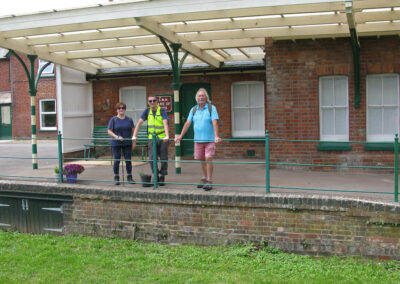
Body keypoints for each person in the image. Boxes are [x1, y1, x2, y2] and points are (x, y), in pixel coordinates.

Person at [175, 88, 221, 191]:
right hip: (198, 140)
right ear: (197, 98)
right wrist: (181, 136)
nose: (201, 97)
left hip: (209, 139)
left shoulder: (211, 108)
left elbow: (215, 122)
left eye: (203, 95)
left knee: (208, 158)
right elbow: (187, 123)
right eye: (199, 96)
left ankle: (209, 180)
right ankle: (204, 178)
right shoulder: (193, 109)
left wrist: (216, 136)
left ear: (206, 98)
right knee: (202, 160)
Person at [133, 96, 169, 186]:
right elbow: (139, 122)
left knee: (163, 158)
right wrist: (134, 135)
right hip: (151, 138)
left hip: (162, 137)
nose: (152, 102)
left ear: (157, 101)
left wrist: (167, 135)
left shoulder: (162, 110)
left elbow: (165, 122)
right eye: (150, 101)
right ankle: (156, 175)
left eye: (154, 100)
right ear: (148, 102)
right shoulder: (147, 111)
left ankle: (162, 176)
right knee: (152, 158)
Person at [107, 102, 135, 185]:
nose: (121, 109)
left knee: (128, 160)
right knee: (116, 160)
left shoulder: (129, 119)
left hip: (127, 143)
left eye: (123, 108)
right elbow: (109, 131)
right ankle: (116, 177)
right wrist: (116, 137)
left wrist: (134, 142)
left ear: (125, 109)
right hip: (116, 143)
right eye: (119, 108)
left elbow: (133, 132)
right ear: (117, 110)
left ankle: (129, 177)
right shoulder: (113, 119)